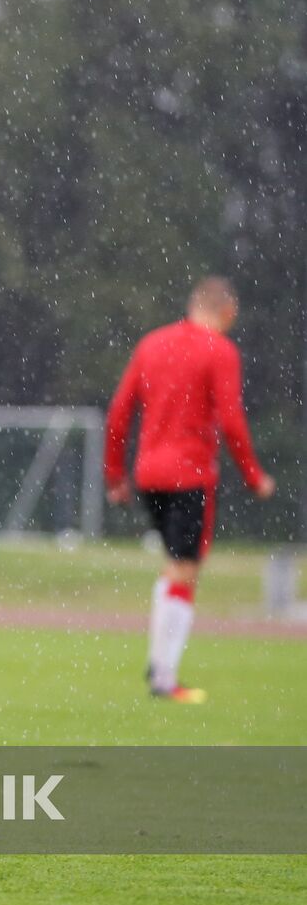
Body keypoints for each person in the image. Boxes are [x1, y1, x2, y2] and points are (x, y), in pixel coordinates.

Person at [104, 275, 274, 704]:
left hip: (148, 476)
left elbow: (119, 413)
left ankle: (159, 663)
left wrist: (114, 475)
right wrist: (254, 476)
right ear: (228, 313)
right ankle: (164, 677)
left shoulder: (152, 344)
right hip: (189, 476)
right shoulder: (220, 351)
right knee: (185, 569)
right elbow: (232, 421)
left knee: (174, 566)